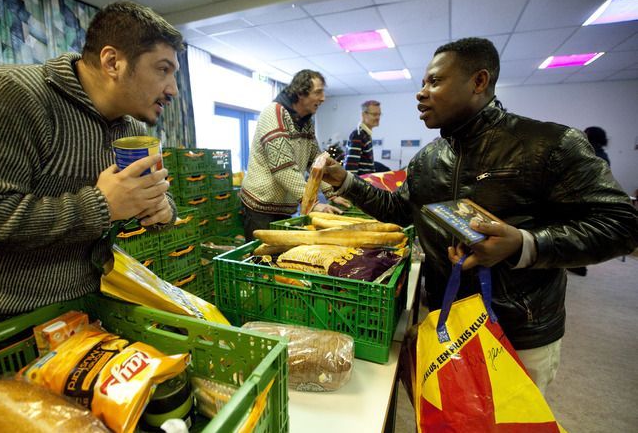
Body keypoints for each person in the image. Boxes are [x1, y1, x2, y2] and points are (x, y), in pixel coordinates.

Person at [322, 37, 638, 394]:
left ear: (479, 81)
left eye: (435, 81)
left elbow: (622, 224)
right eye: (423, 83)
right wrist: (344, 180)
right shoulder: (428, 159)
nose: (421, 93)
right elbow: (399, 209)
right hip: (446, 321)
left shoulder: (549, 144)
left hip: (517, 332)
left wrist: (523, 244)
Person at [0, 1, 184, 341]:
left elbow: (144, 203)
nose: (173, 89)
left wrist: (161, 210)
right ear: (113, 62)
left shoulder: (127, 130)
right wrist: (100, 206)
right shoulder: (8, 95)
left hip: (80, 309)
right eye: (163, 69)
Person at [239, 69, 350, 241]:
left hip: (285, 206)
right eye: (318, 92)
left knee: (279, 258)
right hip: (260, 205)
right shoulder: (274, 113)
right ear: (301, 93)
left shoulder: (306, 121)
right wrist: (312, 203)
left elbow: (316, 161)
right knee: (260, 261)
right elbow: (283, 167)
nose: (323, 98)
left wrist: (331, 192)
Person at [568, 126, 613, 276]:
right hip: (589, 199)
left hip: (582, 198)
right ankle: (578, 264)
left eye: (585, 133)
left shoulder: (591, 153)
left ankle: (578, 265)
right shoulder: (602, 155)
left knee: (576, 230)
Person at [344, 100, 381, 175]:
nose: (378, 117)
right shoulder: (358, 135)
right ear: (364, 115)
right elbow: (350, 169)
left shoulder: (365, 134)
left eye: (379, 114)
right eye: (374, 114)